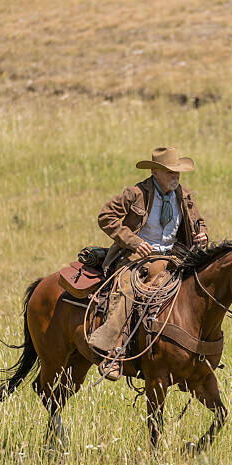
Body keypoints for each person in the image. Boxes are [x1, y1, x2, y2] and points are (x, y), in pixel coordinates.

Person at [89, 146, 208, 380]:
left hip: (174, 256)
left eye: (177, 172)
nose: (176, 176)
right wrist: (133, 242)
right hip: (137, 257)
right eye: (169, 171)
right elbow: (106, 217)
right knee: (126, 289)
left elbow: (198, 223)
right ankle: (112, 352)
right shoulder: (135, 194)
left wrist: (202, 234)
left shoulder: (184, 195)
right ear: (155, 172)